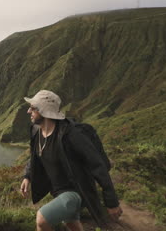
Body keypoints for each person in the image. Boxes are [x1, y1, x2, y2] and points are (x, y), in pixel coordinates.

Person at [20, 90, 122, 231]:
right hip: (58, 192)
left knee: (42, 219)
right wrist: (27, 176)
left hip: (76, 192)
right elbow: (36, 155)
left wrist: (111, 201)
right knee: (72, 224)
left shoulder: (70, 135)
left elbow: (97, 165)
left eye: (33, 108)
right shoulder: (37, 131)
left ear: (44, 111)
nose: (28, 111)